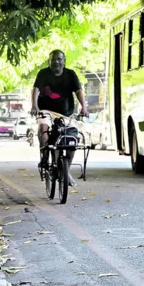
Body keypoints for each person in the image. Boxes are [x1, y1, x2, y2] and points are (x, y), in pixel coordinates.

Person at [30, 49, 88, 187]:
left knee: (72, 141)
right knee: (43, 128)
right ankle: (45, 156)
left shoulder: (71, 74)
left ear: (64, 61)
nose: (56, 61)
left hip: (66, 114)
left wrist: (84, 108)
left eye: (59, 59)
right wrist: (35, 106)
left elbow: (79, 91)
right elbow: (36, 90)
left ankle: (65, 170)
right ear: (49, 61)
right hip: (46, 111)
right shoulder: (43, 74)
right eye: (54, 59)